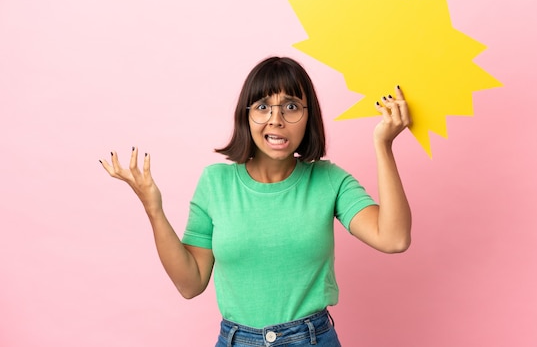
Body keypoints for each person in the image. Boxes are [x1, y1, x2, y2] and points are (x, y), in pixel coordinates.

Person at [100, 56, 412, 347]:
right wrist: (154, 210)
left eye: (291, 107)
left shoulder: (329, 180)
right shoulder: (215, 183)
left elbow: (394, 238)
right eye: (263, 107)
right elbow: (190, 283)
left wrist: (383, 145)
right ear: (246, 115)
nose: (276, 120)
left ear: (309, 117)